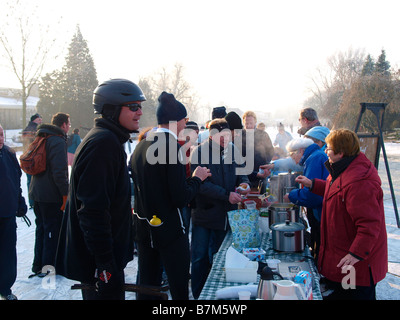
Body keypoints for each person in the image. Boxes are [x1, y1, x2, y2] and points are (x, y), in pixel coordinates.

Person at [55, 78, 146, 300]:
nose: (140, 112)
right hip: (101, 264)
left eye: (140, 106)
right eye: (133, 107)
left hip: (106, 260)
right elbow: (92, 211)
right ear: (112, 110)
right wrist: (105, 266)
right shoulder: (103, 144)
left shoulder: (108, 140)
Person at [130, 91, 211, 300]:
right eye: (185, 118)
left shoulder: (141, 145)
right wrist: (197, 178)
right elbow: (179, 197)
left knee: (147, 284)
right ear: (179, 120)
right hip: (169, 230)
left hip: (144, 227)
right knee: (178, 285)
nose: (186, 122)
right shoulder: (171, 146)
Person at [296, 129, 388, 300]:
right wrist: (312, 184)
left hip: (356, 265)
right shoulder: (343, 169)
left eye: (328, 148)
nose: (325, 152)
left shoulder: (360, 182)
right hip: (346, 260)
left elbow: (369, 225)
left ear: (341, 152)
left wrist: (355, 254)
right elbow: (338, 191)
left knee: (353, 296)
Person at [189, 118, 250, 299]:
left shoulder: (233, 150)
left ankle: (218, 294)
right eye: (220, 136)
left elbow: (242, 174)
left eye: (227, 135)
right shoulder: (199, 152)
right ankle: (199, 295)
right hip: (204, 213)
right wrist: (226, 194)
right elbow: (201, 185)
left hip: (226, 215)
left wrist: (244, 185)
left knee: (221, 255)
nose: (225, 139)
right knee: (200, 257)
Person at [29, 112, 70, 278]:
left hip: (37, 192)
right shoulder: (57, 141)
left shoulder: (42, 138)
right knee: (52, 230)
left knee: (41, 229)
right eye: (68, 123)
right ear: (63, 125)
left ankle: (38, 264)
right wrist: (65, 194)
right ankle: (49, 267)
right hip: (50, 195)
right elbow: (59, 172)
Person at [283, 137, 329, 260]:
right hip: (322, 210)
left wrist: (292, 195)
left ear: (301, 151)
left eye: (292, 155)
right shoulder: (315, 156)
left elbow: (312, 195)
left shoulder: (314, 159)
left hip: (322, 212)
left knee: (320, 244)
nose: (293, 159)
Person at [0, 124, 28, 300]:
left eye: (1, 133)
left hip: (8, 213)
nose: (0, 137)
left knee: (8, 252)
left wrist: (20, 202)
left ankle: (5, 288)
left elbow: (16, 181)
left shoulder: (9, 154)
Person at [241, 111, 273, 193]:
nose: (248, 126)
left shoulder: (263, 134)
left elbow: (270, 151)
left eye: (251, 123)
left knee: (261, 197)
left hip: (261, 172)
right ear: (243, 122)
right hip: (244, 175)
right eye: (246, 123)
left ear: (255, 122)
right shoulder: (239, 136)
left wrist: (266, 165)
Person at [22, 113, 42, 208]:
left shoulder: (26, 129)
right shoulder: (36, 130)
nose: (40, 120)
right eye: (39, 119)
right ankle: (35, 201)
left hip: (26, 158)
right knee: (35, 180)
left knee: (29, 181)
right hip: (34, 158)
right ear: (34, 120)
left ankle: (31, 201)